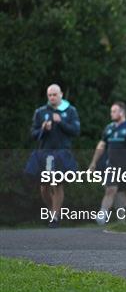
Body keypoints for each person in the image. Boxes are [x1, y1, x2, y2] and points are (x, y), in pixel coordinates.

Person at [30, 84, 80, 228]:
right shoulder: (40, 112)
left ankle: (55, 217)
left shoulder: (70, 111)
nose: (52, 97)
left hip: (62, 153)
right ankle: (53, 209)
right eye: (50, 95)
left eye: (54, 94)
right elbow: (33, 134)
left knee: (57, 184)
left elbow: (76, 131)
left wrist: (61, 122)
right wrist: (43, 129)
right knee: (44, 186)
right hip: (44, 153)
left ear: (61, 94)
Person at [89, 101, 126, 225]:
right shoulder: (109, 128)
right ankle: (102, 216)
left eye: (114, 111)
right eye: (111, 111)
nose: (111, 114)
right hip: (112, 165)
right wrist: (93, 162)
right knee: (110, 189)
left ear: (122, 112)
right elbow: (101, 145)